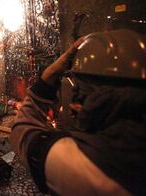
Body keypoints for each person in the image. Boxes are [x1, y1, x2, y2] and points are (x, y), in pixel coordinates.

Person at [10, 29, 146, 195]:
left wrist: (50, 75)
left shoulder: (76, 164)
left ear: (91, 93)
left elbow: (22, 131)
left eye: (79, 88)